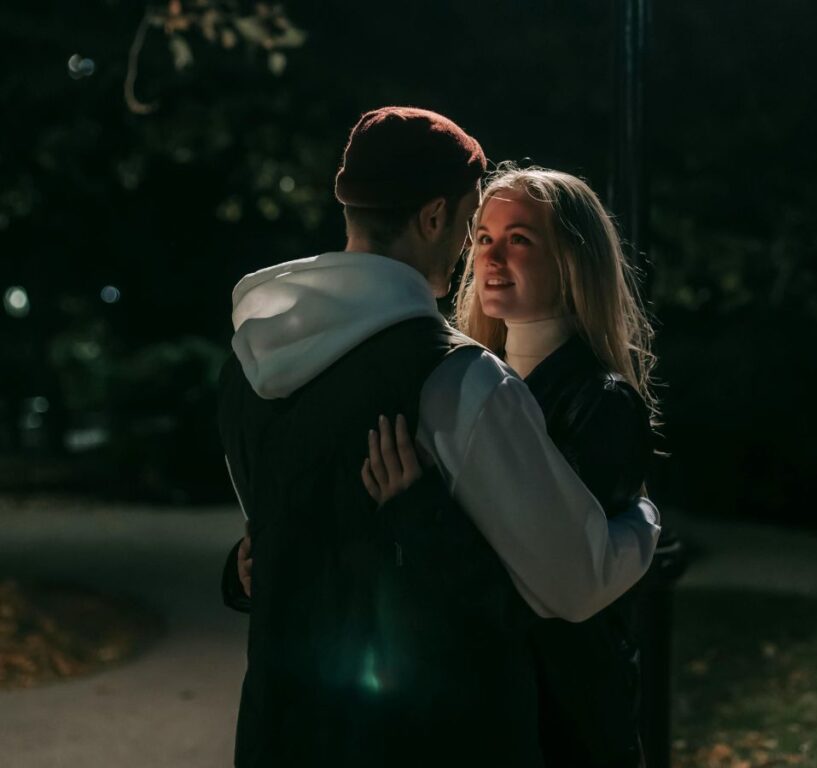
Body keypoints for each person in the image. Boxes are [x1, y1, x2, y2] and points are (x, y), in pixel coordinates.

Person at [218, 107, 660, 767]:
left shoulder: (249, 365)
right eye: (470, 225)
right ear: (434, 218)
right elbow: (571, 583)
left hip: (283, 730)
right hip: (433, 736)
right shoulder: (459, 379)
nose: (473, 251)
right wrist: (643, 525)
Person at [361, 164, 658, 767]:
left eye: (520, 239)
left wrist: (417, 511)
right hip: (477, 707)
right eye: (485, 237)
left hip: (561, 716)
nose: (493, 257)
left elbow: (541, 584)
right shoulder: (460, 384)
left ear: (573, 260)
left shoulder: (601, 401)